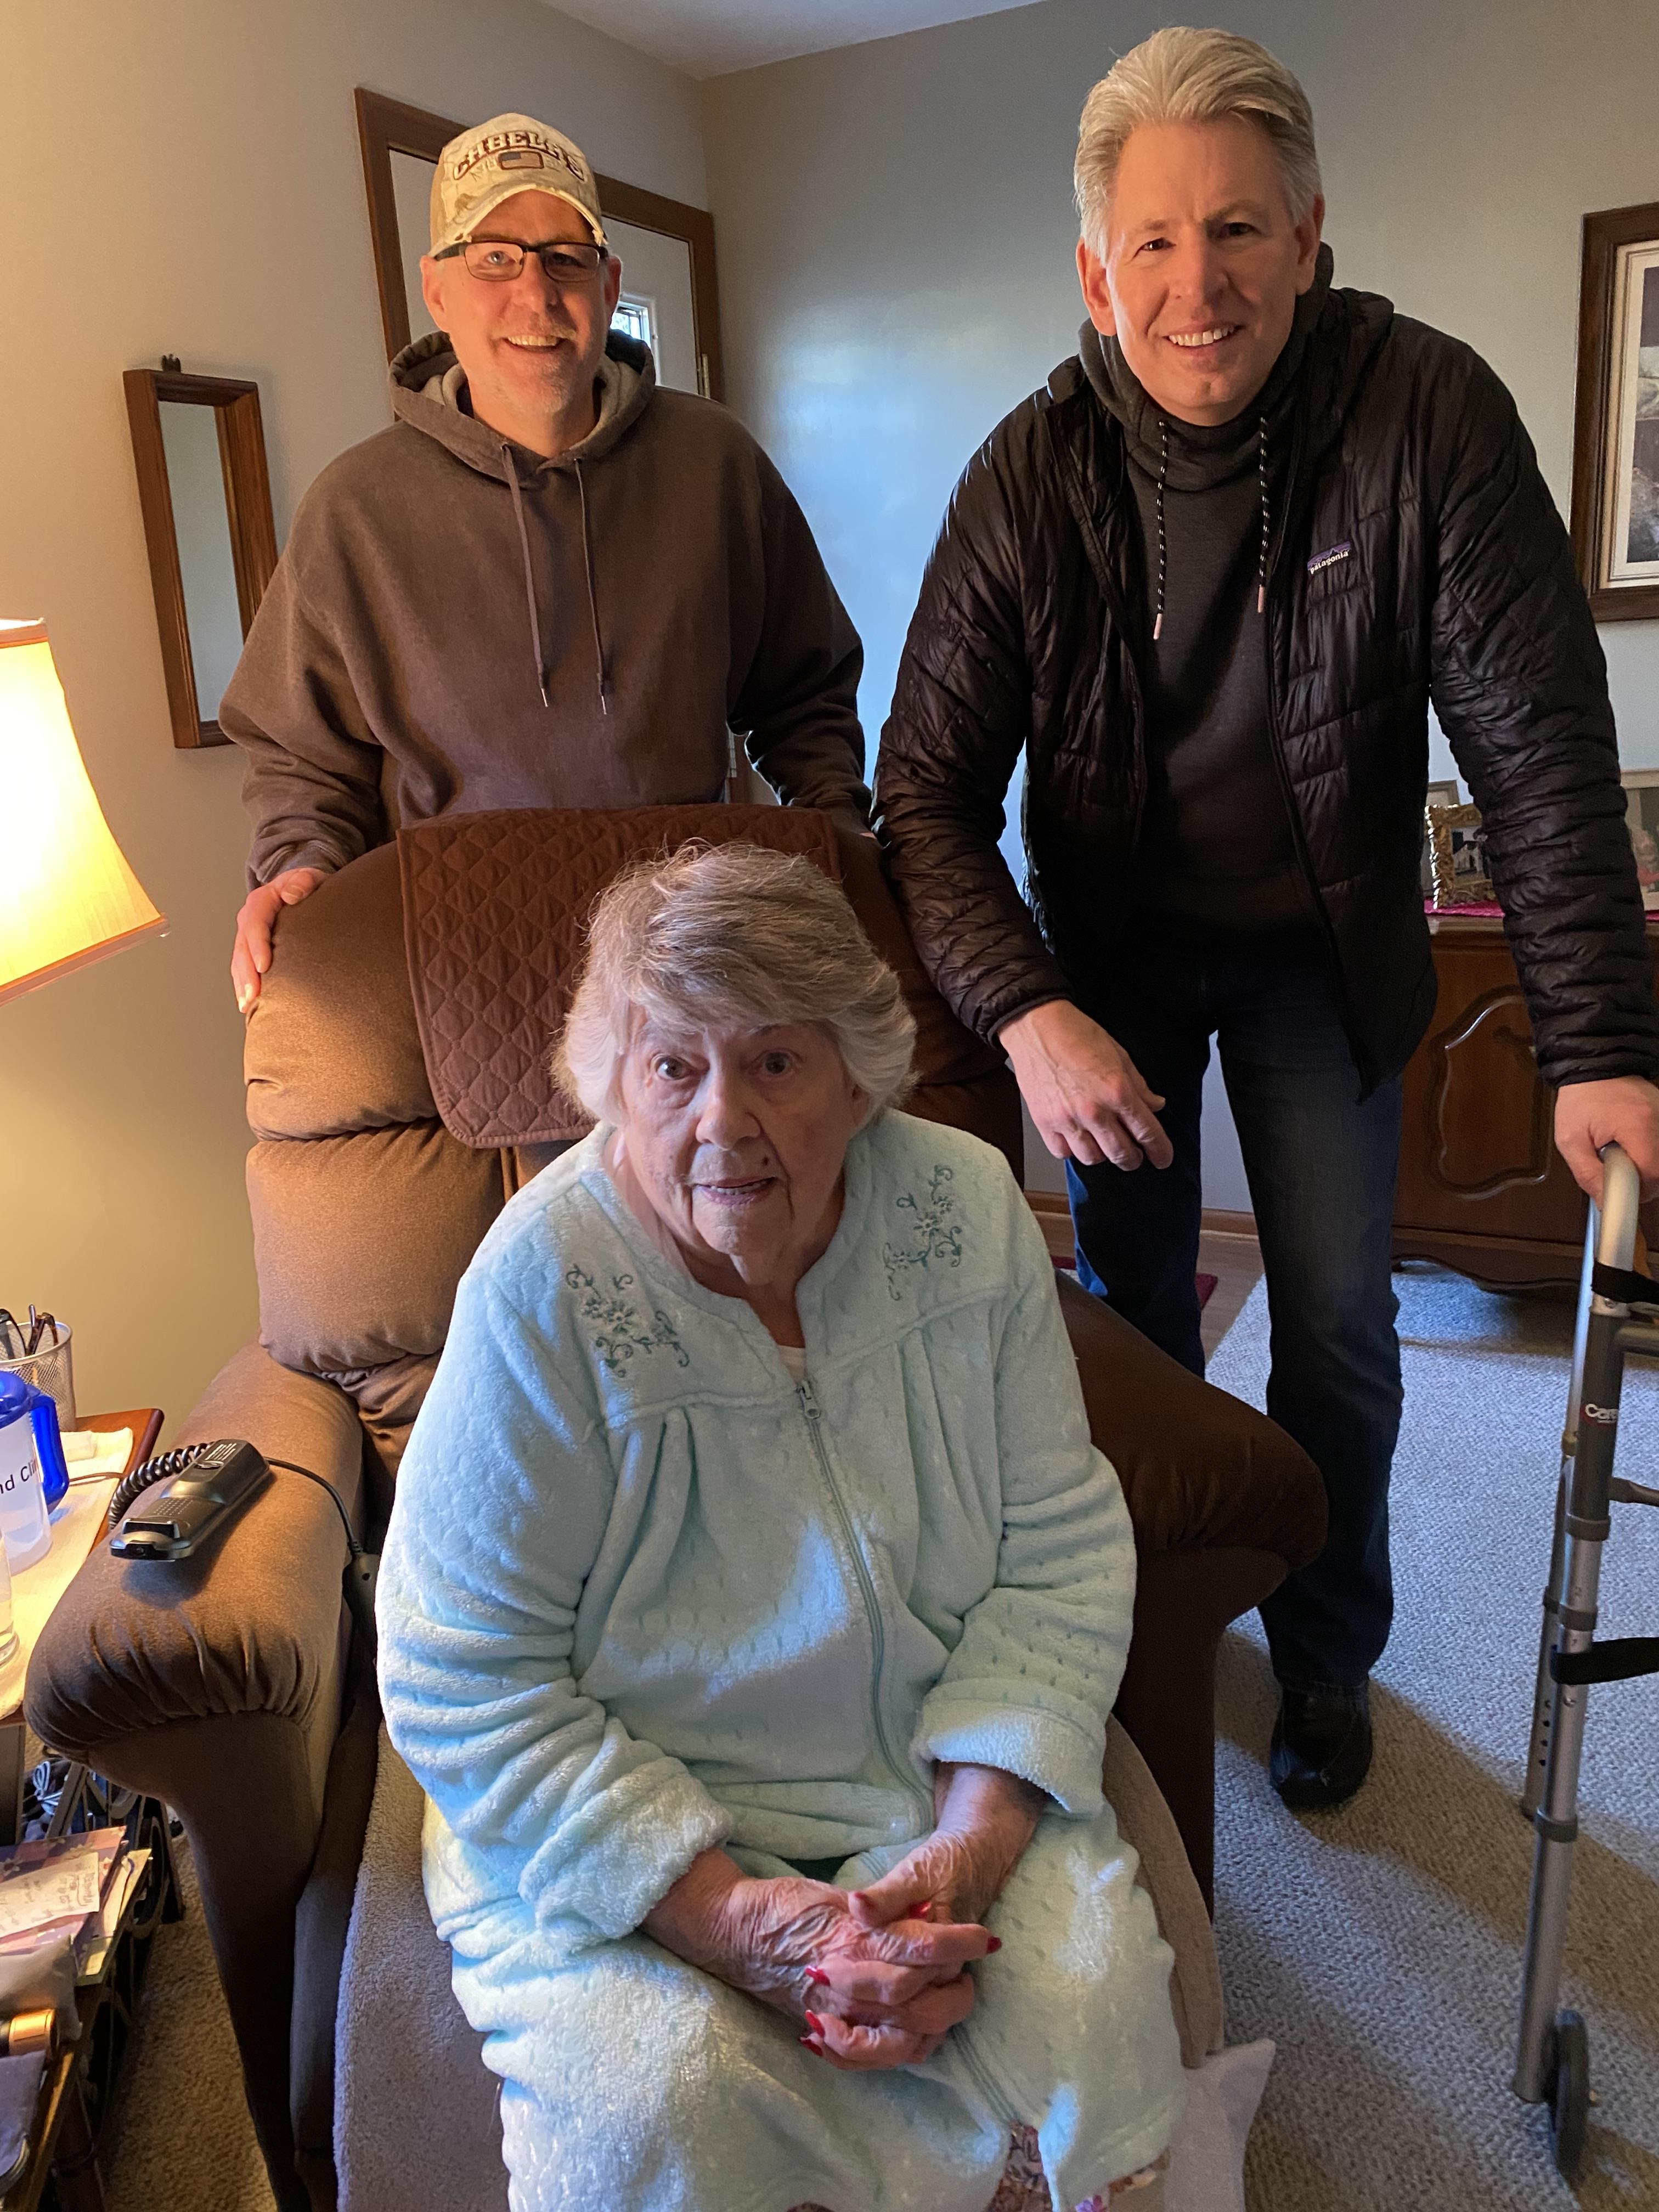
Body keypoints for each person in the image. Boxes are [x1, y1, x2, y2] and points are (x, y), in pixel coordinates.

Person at [875, 27, 1659, 1812]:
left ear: (1310, 234)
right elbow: (918, 789)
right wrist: (1023, 1008)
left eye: (1236, 230)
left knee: (1339, 1329)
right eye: (1152, 241)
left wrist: (1604, 1039)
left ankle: (1322, 1657)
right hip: (1109, 961)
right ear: (1094, 271)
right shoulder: (1027, 476)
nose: (1196, 282)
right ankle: (1153, 1623)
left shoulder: (1423, 413)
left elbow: (1533, 735)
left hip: (1324, 951)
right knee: (1133, 1322)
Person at [376, 845, 1184, 2212]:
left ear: (860, 1079)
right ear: (612, 1079)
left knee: (1095, 2021)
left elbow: (1059, 1544)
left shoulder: (967, 1210)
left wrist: (966, 1848)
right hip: (644, 1826)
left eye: (774, 1064)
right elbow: (465, 1673)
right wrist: (735, 1921)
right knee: (665, 2114)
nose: (720, 1124)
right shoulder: (542, 1284)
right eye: (672, 1067)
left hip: (929, 1780)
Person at [223, 112, 866, 1010]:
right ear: (437, 290)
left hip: (687, 959)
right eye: (495, 257)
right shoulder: (353, 509)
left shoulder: (716, 465)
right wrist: (299, 864)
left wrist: (834, 835)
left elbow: (806, 692)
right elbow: (302, 756)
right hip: (463, 962)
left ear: (608, 285)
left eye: (566, 257)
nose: (536, 294)